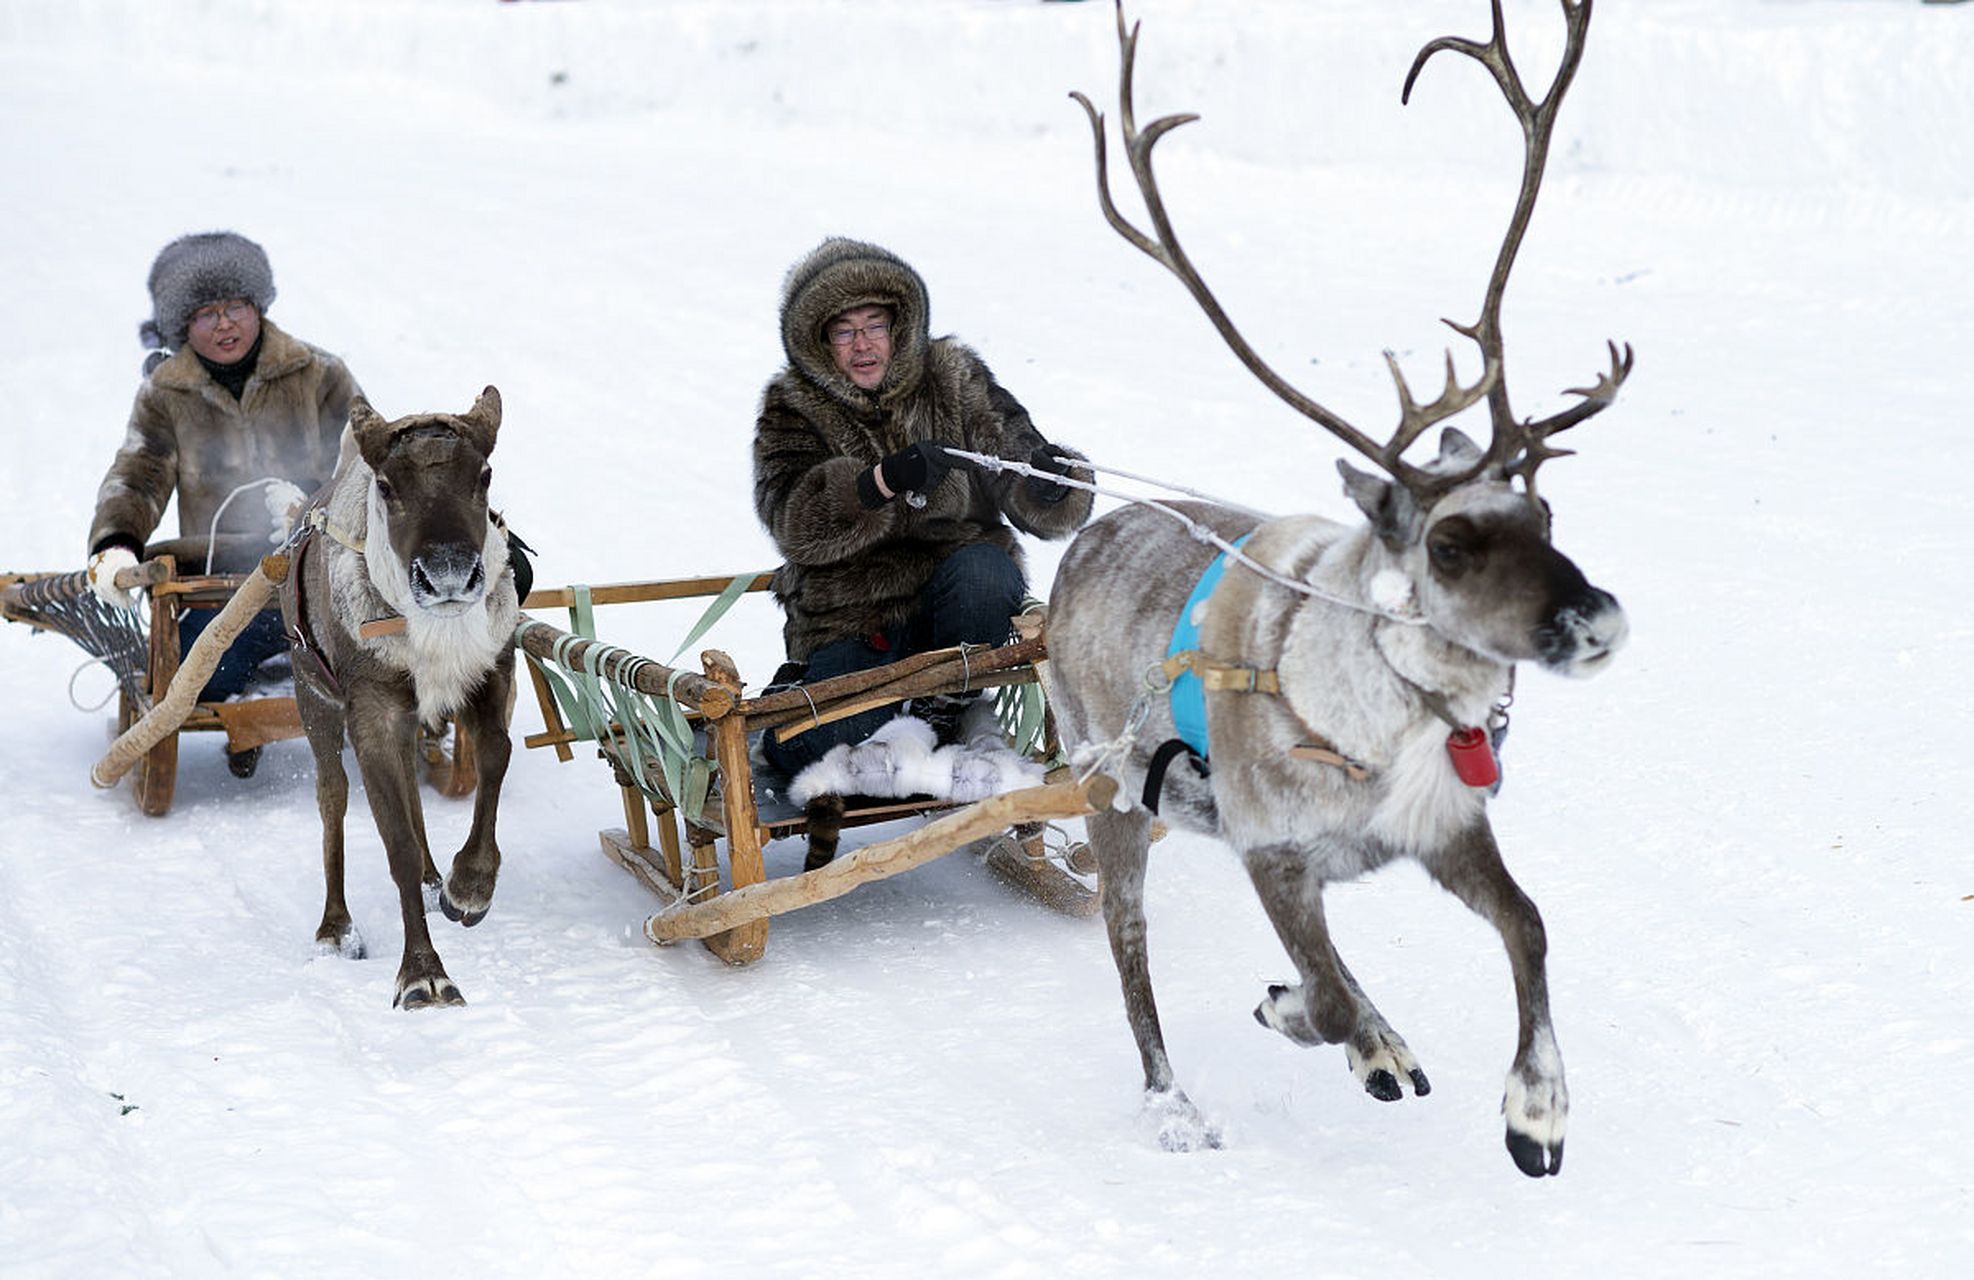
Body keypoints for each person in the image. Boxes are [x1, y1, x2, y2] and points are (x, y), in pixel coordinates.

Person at [753, 236, 1095, 781]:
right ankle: (863, 707)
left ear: (899, 326)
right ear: (821, 342)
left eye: (874, 326)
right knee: (803, 748)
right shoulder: (791, 406)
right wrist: (878, 484)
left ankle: (944, 704)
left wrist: (1049, 481)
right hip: (854, 621)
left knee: (986, 569)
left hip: (954, 609)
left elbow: (1014, 458)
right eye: (844, 331)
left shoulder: (953, 377)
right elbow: (792, 523)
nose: (863, 345)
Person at [84, 230, 361, 777]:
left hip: (313, 566)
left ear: (259, 305)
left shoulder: (319, 374)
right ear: (181, 325)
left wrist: (318, 510)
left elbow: (367, 456)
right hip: (216, 575)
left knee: (356, 641)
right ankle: (262, 678)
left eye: (236, 306)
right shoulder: (166, 394)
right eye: (205, 313)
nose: (225, 323)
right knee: (198, 669)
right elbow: (137, 476)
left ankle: (288, 667)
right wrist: (115, 543)